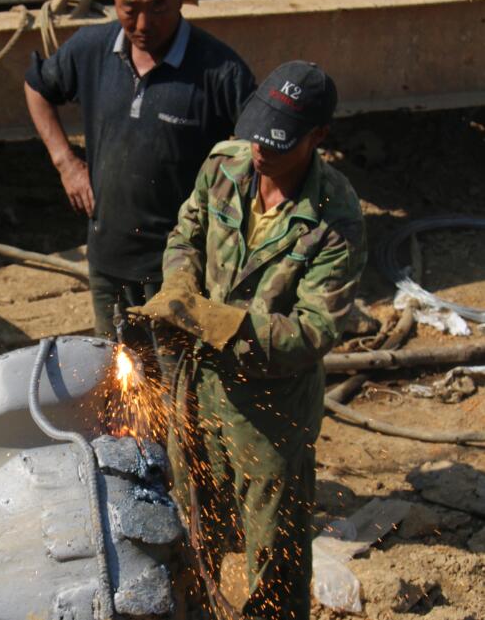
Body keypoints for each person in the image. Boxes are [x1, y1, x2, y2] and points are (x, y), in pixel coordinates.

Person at [131, 61, 367, 620]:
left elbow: (314, 330)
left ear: (318, 136)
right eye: (257, 134)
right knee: (193, 526)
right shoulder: (226, 165)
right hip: (197, 388)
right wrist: (180, 285)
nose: (261, 151)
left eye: (278, 143)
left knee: (273, 552)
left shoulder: (335, 219)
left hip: (270, 410)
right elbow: (186, 233)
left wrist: (220, 322)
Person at [23, 0, 255, 351]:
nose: (143, 25)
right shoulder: (92, 49)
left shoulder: (219, 70)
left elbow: (260, 151)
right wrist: (66, 162)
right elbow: (37, 87)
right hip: (108, 260)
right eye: (129, 9)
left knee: (177, 376)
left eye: (158, 7)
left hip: (180, 272)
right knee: (116, 367)